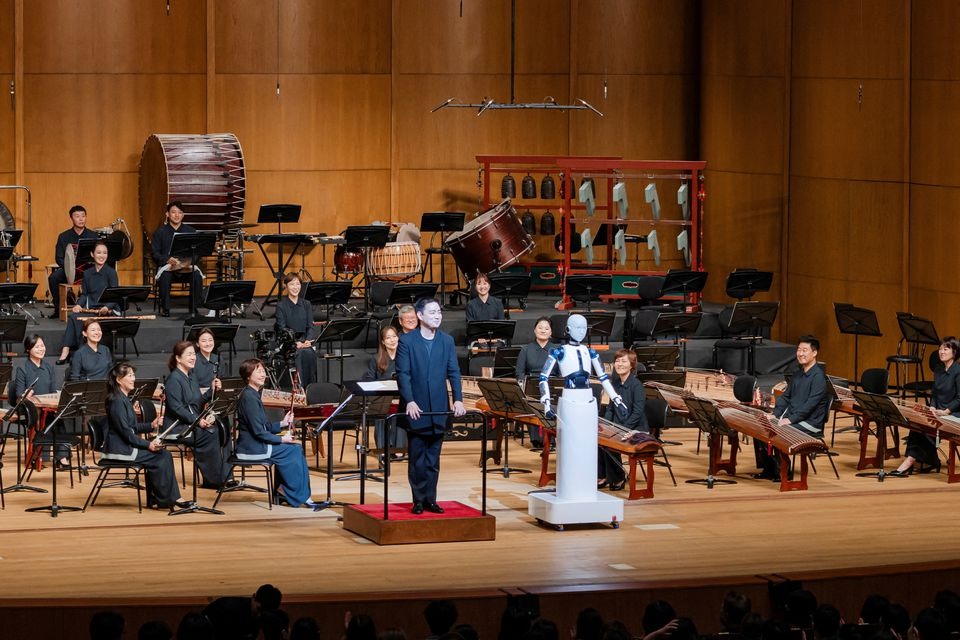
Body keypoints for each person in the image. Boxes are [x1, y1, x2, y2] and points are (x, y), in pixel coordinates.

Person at [395, 297, 465, 514]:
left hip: (438, 406)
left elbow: (454, 371)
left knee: (433, 458)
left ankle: (430, 499)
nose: (437, 316)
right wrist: (410, 401)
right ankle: (417, 499)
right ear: (420, 315)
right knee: (417, 458)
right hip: (416, 407)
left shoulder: (446, 341)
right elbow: (403, 374)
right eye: (432, 312)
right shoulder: (407, 341)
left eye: (439, 312)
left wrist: (458, 399)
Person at [101, 361, 186, 509]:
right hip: (120, 450)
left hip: (125, 446)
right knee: (162, 456)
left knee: (163, 455)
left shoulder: (123, 398)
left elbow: (131, 427)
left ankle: (162, 498)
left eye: (134, 375)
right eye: (130, 375)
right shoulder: (116, 401)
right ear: (119, 379)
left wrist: (151, 425)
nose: (133, 378)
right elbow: (127, 433)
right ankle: (169, 499)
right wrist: (149, 445)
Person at [236, 358, 315, 507]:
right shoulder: (248, 397)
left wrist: (283, 423)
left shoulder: (253, 395)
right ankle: (292, 493)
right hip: (252, 448)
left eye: (263, 371)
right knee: (291, 451)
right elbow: (258, 432)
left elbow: (264, 426)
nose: (262, 374)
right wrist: (281, 440)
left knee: (296, 448)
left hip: (257, 443)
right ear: (248, 376)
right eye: (257, 371)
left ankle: (291, 492)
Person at [755, 335, 828, 479]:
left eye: (805, 350)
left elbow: (810, 405)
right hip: (794, 418)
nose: (800, 353)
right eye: (799, 350)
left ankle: (783, 470)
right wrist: (775, 414)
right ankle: (769, 468)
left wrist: (791, 420)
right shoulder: (799, 374)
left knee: (777, 430)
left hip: (810, 423)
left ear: (814, 353)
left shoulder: (818, 377)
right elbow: (786, 397)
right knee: (760, 427)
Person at [163, 340, 231, 488]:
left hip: (190, 422)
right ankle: (213, 480)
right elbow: (177, 408)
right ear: (178, 358)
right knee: (208, 434)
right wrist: (197, 421)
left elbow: (197, 402)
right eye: (189, 354)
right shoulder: (174, 379)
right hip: (177, 427)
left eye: (194, 354)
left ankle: (226, 475)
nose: (193, 357)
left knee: (221, 428)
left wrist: (211, 391)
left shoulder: (191, 376)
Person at [893, 337, 960, 476]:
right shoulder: (938, 369)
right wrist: (933, 407)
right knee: (917, 423)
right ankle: (930, 460)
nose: (941, 352)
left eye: (945, 349)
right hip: (939, 410)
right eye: (940, 349)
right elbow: (934, 394)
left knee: (928, 425)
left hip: (954, 413)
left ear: (954, 352)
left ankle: (910, 461)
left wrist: (946, 411)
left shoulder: (958, 371)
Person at [56, 240, 119, 364]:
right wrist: (79, 304)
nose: (102, 255)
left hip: (106, 310)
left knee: (83, 319)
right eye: (99, 252)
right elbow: (85, 294)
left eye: (104, 253)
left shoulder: (111, 272)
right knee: (74, 317)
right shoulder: (87, 273)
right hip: (92, 309)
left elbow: (115, 295)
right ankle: (66, 351)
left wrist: (107, 307)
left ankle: (80, 353)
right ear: (92, 254)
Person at [11, 335, 65, 466]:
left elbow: (52, 391)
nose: (41, 349)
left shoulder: (48, 367)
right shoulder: (23, 368)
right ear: (29, 349)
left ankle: (61, 457)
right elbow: (18, 394)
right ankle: (37, 456)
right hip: (30, 408)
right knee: (42, 420)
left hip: (46, 406)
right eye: (37, 346)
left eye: (42, 345)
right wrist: (26, 393)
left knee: (58, 420)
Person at [598, 348, 648, 491]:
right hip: (620, 426)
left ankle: (619, 477)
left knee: (610, 444)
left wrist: (622, 429)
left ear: (632, 365)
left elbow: (637, 413)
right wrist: (605, 425)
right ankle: (604, 475)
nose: (619, 364)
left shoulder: (636, 385)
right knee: (599, 439)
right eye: (617, 361)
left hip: (636, 427)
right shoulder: (615, 384)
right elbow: (611, 409)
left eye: (623, 361)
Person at [151, 200, 203, 317]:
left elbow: (197, 253)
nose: (176, 215)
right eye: (173, 212)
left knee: (197, 276)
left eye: (179, 212)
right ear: (167, 214)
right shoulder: (160, 232)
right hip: (168, 266)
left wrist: (188, 262)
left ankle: (194, 308)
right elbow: (155, 253)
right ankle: (166, 309)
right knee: (164, 277)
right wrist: (167, 259)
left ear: (183, 215)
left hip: (186, 266)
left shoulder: (190, 231)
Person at [364, 325, 407, 458]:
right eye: (388, 338)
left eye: (394, 336)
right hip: (382, 399)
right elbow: (369, 379)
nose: (392, 340)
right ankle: (382, 449)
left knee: (401, 413)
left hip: (400, 397)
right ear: (383, 341)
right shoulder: (376, 358)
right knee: (381, 412)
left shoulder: (405, 356)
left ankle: (399, 449)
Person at [49, 204, 99, 319]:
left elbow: (97, 255)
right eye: (77, 216)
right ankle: (58, 309)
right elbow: (59, 257)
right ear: (71, 218)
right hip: (69, 270)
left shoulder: (93, 235)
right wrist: (70, 269)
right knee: (53, 278)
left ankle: (95, 307)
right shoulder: (63, 236)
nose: (81, 219)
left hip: (87, 269)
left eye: (83, 216)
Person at [515, 316, 557, 449]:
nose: (543, 330)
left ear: (551, 332)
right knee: (532, 401)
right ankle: (536, 440)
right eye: (540, 327)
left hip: (552, 385)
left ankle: (552, 438)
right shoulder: (526, 349)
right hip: (532, 385)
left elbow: (561, 373)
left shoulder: (556, 350)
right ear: (534, 330)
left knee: (554, 403)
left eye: (546, 328)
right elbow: (520, 372)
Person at [274, 273, 318, 387]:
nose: (295, 287)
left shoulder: (306, 304)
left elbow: (310, 326)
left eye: (298, 284)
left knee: (310, 354)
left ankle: (310, 389)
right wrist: (294, 343)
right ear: (286, 286)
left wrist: (308, 340)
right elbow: (282, 328)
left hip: (304, 341)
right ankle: (300, 389)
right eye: (292, 284)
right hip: (289, 342)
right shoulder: (281, 306)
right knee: (299, 354)